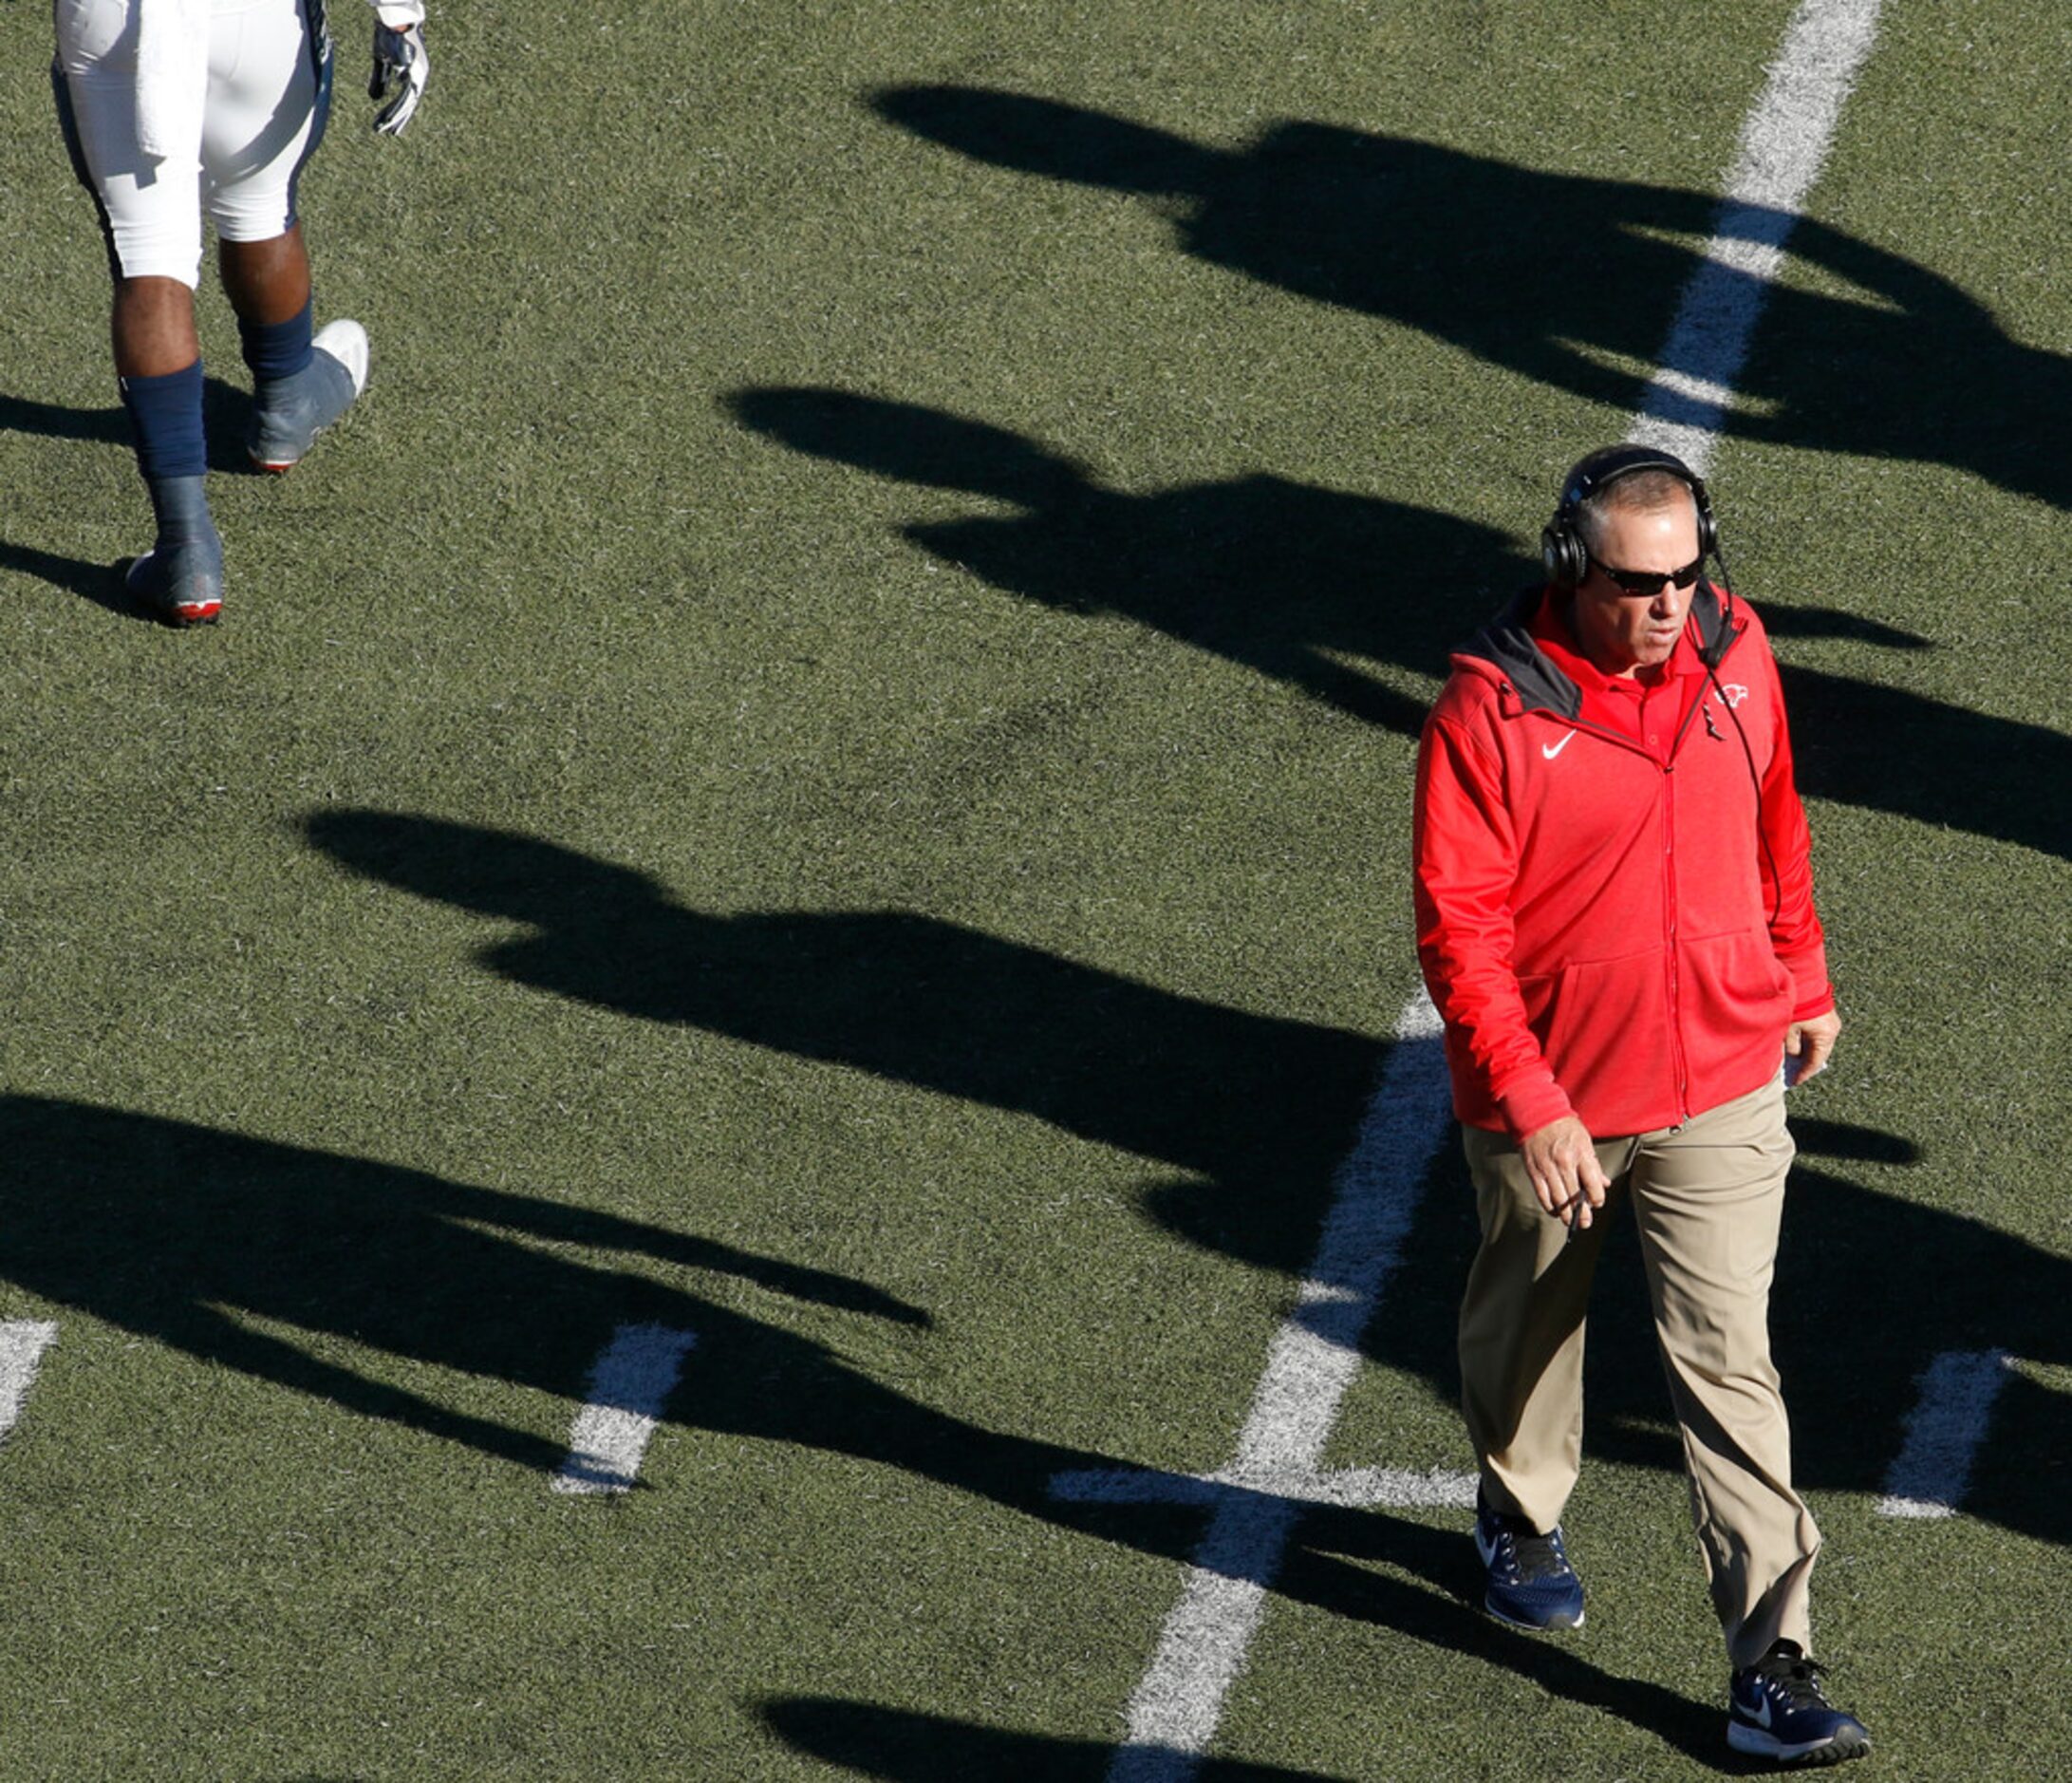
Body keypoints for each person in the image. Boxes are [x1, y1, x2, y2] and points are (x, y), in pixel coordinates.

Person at [1411, 446, 1870, 1767]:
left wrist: (1800, 968)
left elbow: (1775, 813)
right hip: (1551, 1095)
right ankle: (1514, 1504)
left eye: (1683, 574)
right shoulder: (1489, 710)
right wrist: (1531, 1099)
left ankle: (1768, 1660)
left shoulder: (1734, 653)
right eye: (1634, 582)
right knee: (1528, 1309)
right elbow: (1459, 931)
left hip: (1721, 1074)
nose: (1666, 605)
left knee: (1727, 1357)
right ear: (1570, 564)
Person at [53, 0, 430, 625]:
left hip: (114, 18)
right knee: (259, 199)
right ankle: (284, 400)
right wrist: (398, 15)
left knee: (151, 256)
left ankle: (186, 548)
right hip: (259, 18)